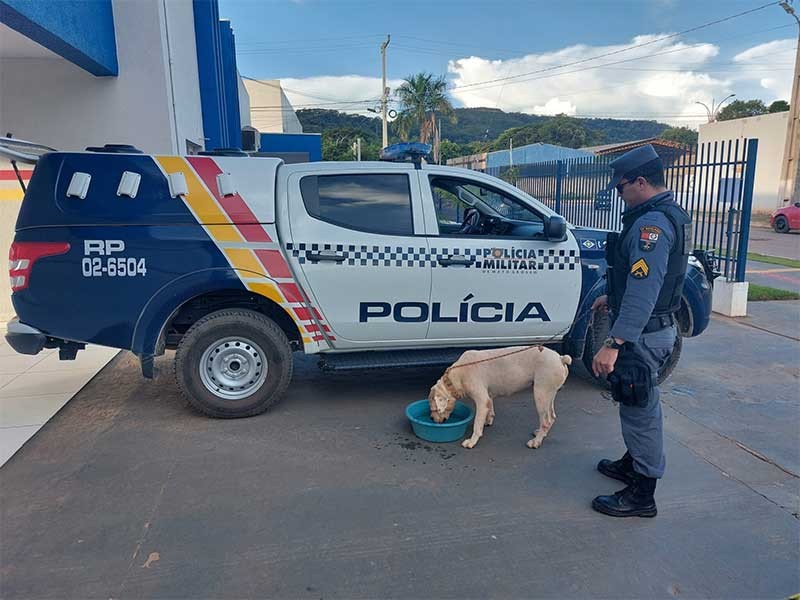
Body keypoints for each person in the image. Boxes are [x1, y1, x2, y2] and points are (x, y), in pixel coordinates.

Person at [590, 144, 691, 518]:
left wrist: (615, 342)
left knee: (640, 411)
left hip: (644, 334)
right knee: (636, 406)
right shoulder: (658, 214)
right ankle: (633, 463)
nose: (619, 192)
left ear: (641, 182)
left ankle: (642, 495)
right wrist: (610, 301)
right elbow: (635, 278)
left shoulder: (653, 225)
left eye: (622, 186)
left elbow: (646, 288)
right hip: (647, 327)